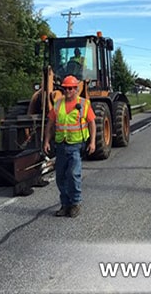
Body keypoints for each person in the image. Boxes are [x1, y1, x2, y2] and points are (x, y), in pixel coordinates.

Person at [43, 75, 96, 218]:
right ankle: (65, 204)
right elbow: (50, 124)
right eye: (65, 88)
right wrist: (47, 141)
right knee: (60, 177)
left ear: (77, 89)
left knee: (73, 174)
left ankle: (75, 203)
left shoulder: (84, 104)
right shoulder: (58, 104)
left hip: (76, 146)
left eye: (71, 88)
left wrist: (92, 142)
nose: (68, 91)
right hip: (60, 145)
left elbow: (91, 123)